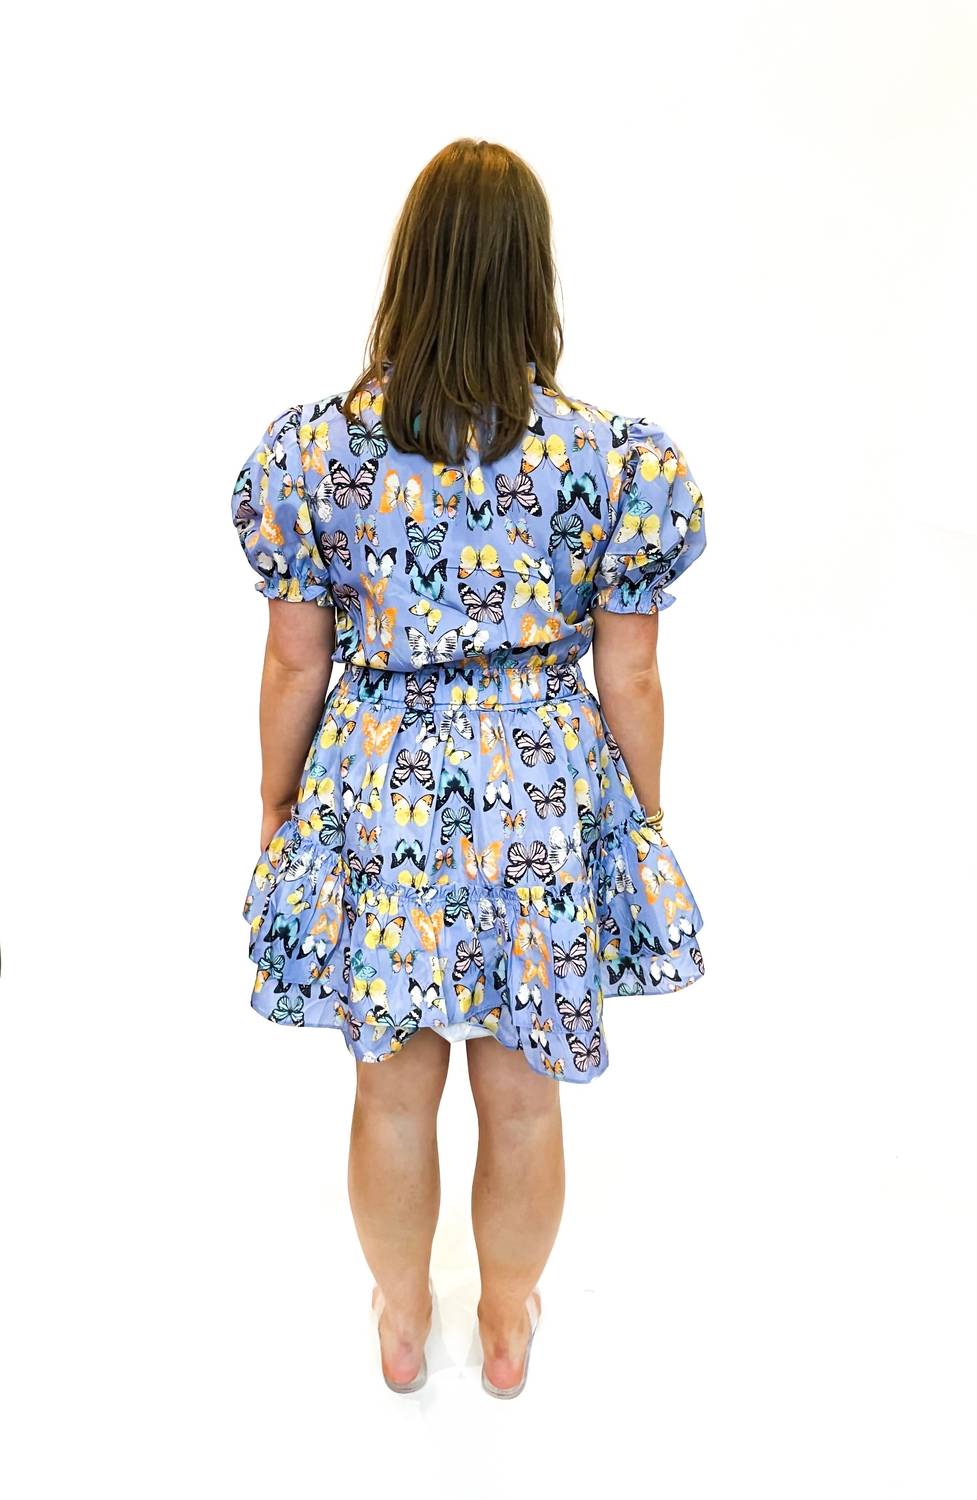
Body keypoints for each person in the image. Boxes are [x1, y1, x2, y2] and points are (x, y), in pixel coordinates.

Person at [229, 138, 707, 1398]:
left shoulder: (316, 456)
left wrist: (276, 798)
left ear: (411, 268)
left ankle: (400, 1317)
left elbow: (292, 661)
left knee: (391, 1093)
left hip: (380, 785)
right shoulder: (608, 461)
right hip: (540, 795)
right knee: (523, 1094)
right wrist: (640, 814)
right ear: (531, 276)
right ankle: (501, 1324)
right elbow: (632, 676)